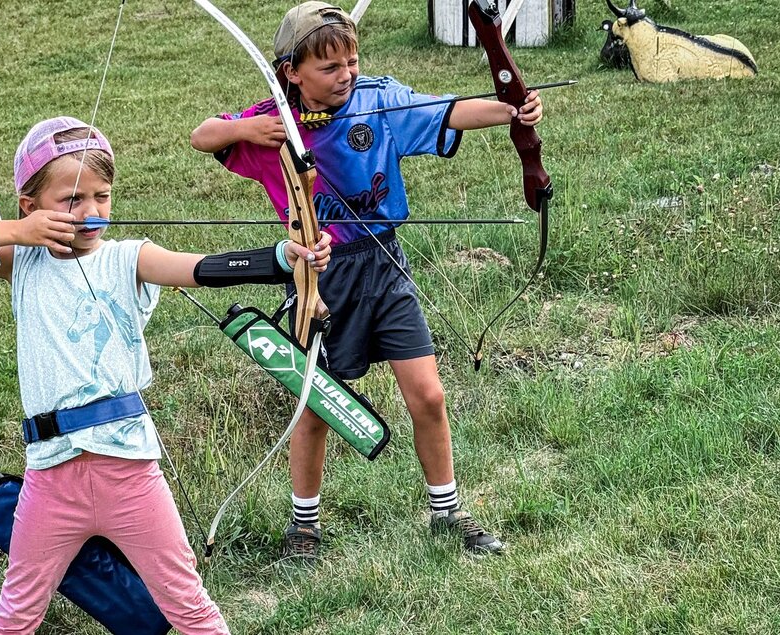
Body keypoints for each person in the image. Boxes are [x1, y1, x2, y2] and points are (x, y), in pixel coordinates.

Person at [0, 116, 331, 634]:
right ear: (31, 206)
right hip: (50, 477)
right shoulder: (22, 261)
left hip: (128, 471)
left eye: (102, 197)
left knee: (187, 603)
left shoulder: (127, 258)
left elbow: (200, 267)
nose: (91, 212)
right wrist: (17, 234)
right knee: (17, 611)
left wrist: (284, 258)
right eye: (72, 200)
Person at [189, 1, 544, 559]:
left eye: (351, 61)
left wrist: (511, 111)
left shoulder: (378, 102)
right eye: (329, 68)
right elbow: (202, 135)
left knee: (427, 393)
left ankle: (447, 510)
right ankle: (304, 524)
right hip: (319, 279)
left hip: (385, 265)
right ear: (292, 73)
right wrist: (252, 127)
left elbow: (448, 113)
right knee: (316, 404)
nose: (346, 75)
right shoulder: (273, 124)